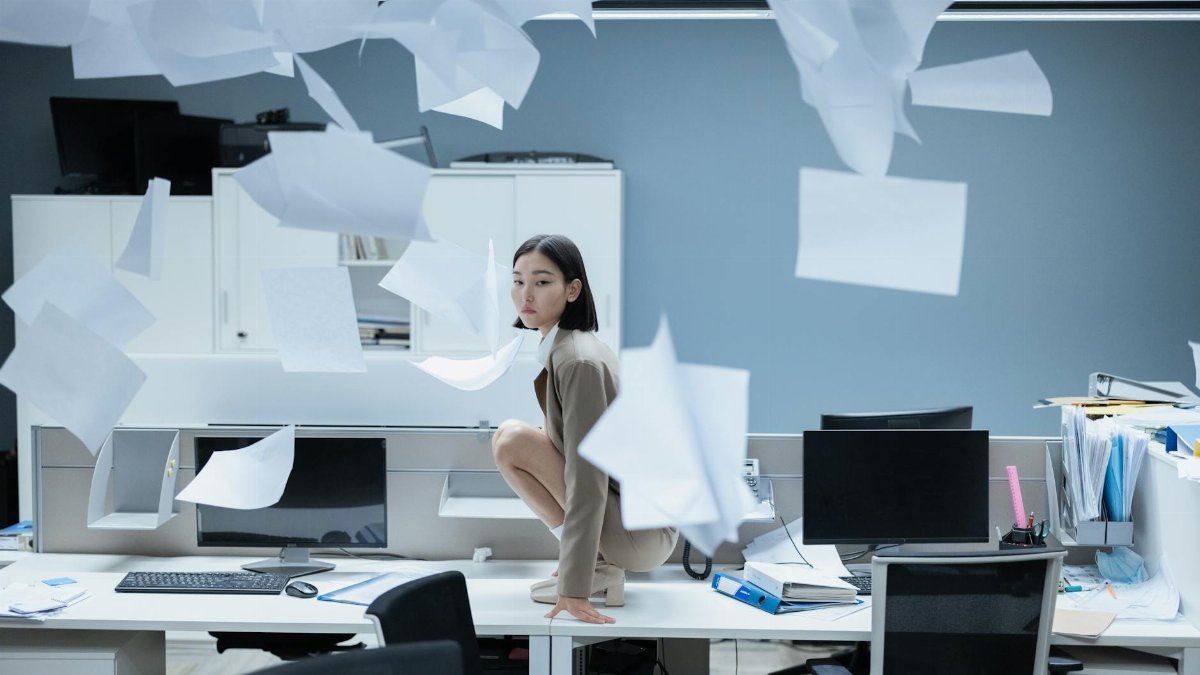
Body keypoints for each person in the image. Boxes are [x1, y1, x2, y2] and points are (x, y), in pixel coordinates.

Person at [491, 234, 678, 625]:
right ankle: (593, 564)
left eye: (542, 282)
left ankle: (592, 568)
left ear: (573, 289)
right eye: (518, 280)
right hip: (629, 519)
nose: (526, 293)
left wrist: (572, 590)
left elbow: (587, 476)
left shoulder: (578, 361)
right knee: (509, 438)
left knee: (513, 440)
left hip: (641, 533)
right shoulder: (564, 349)